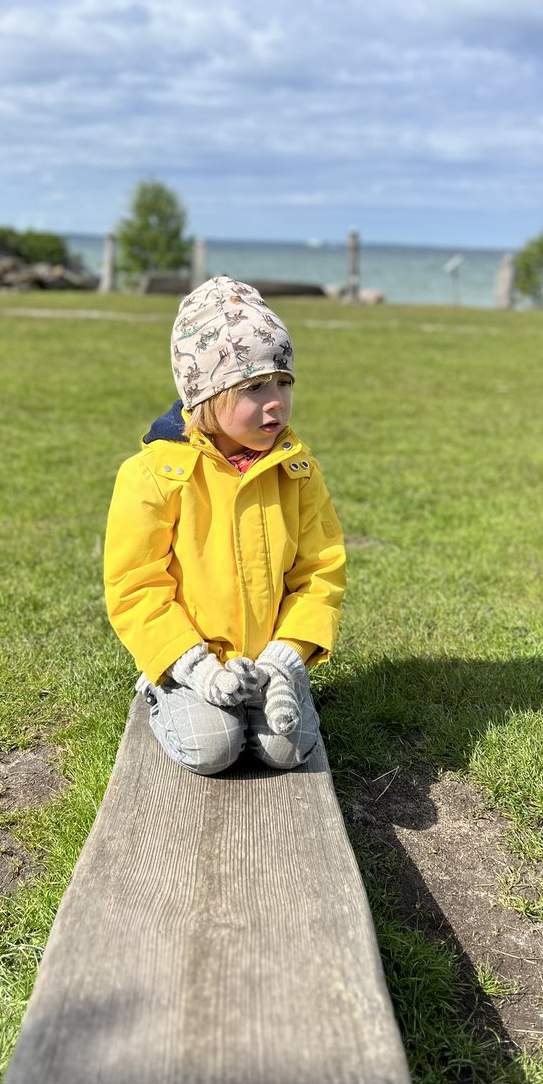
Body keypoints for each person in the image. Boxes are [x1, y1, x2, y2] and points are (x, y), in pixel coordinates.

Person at [103, 276, 345, 775]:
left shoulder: (297, 471)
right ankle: (161, 689)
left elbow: (320, 571)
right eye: (254, 387)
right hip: (192, 661)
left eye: (284, 382)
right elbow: (135, 585)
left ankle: (274, 688)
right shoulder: (154, 475)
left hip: (268, 658)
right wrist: (191, 664)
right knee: (214, 749)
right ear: (205, 394)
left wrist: (287, 655)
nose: (275, 400)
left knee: (287, 750)